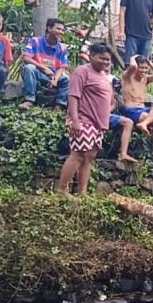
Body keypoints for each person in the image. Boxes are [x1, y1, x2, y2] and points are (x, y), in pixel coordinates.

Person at [57, 43, 114, 195]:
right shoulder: (82, 72)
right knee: (78, 154)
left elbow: (111, 101)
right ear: (92, 56)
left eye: (108, 60)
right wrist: (75, 121)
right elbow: (73, 96)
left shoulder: (104, 76)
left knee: (89, 157)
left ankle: (82, 192)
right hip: (83, 120)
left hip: (98, 124)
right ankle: (62, 190)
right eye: (102, 58)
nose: (105, 62)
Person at [117, 55, 153, 163]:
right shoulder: (127, 76)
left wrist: (149, 62)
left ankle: (144, 124)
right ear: (136, 66)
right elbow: (132, 66)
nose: (144, 71)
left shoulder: (145, 79)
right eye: (141, 67)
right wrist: (133, 57)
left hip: (143, 109)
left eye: (146, 68)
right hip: (130, 109)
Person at [20, 18, 70, 110]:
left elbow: (62, 67)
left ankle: (59, 105)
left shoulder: (62, 48)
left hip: (52, 75)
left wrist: (55, 79)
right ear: (49, 28)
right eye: (58, 29)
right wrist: (44, 68)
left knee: (67, 79)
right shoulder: (35, 41)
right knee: (29, 68)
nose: (61, 32)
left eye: (63, 30)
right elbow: (26, 58)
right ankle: (29, 100)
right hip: (37, 72)